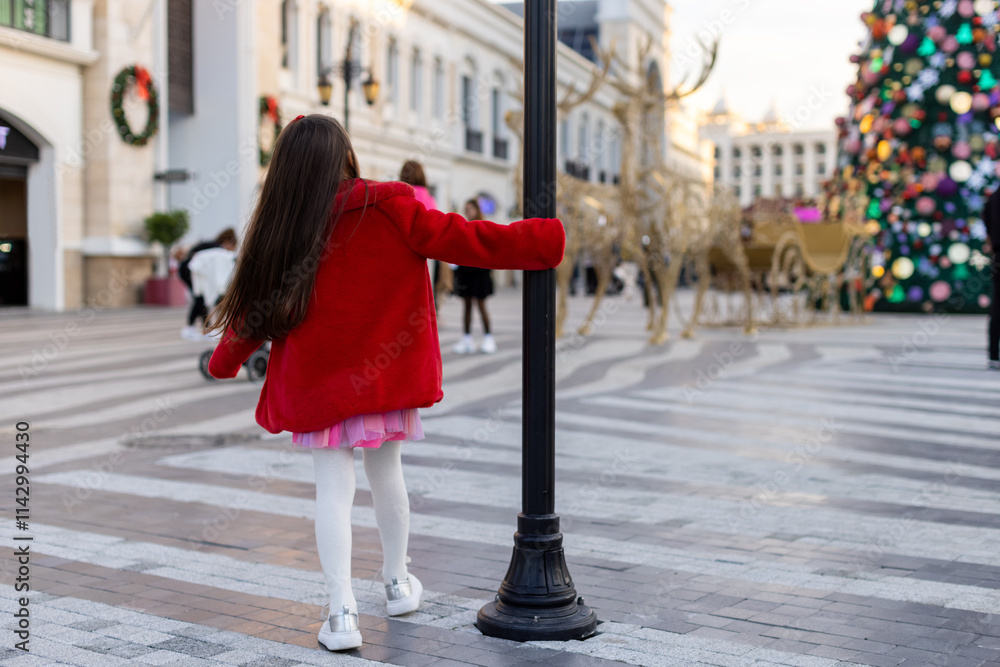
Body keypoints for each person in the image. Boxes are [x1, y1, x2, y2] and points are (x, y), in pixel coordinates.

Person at [204, 114, 565, 651]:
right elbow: (465, 240)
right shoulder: (391, 205)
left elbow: (253, 311)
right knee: (386, 474)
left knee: (333, 490)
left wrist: (225, 362)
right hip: (382, 380)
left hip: (319, 387)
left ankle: (342, 614)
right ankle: (397, 582)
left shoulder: (286, 225)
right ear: (346, 155)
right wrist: (543, 237)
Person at [399, 160, 452, 310]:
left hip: (404, 254)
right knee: (425, 296)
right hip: (426, 255)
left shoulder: (401, 195)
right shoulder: (429, 198)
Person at [451, 199, 499, 354]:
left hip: (480, 273)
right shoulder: (463, 226)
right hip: (466, 273)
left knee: (481, 305)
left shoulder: (483, 226)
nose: (468, 211)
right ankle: (466, 338)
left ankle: (488, 337)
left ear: (477, 210)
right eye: (466, 208)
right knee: (467, 306)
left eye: (470, 208)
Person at [179, 228, 237, 340]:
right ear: (228, 242)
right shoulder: (217, 249)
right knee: (200, 298)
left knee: (202, 298)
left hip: (193, 271)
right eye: (232, 247)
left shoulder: (213, 246)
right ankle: (190, 327)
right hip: (191, 271)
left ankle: (206, 328)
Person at [984, 188, 1000, 369]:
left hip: (998, 256)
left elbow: (986, 221)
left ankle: (994, 354)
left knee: (998, 306)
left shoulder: (993, 198)